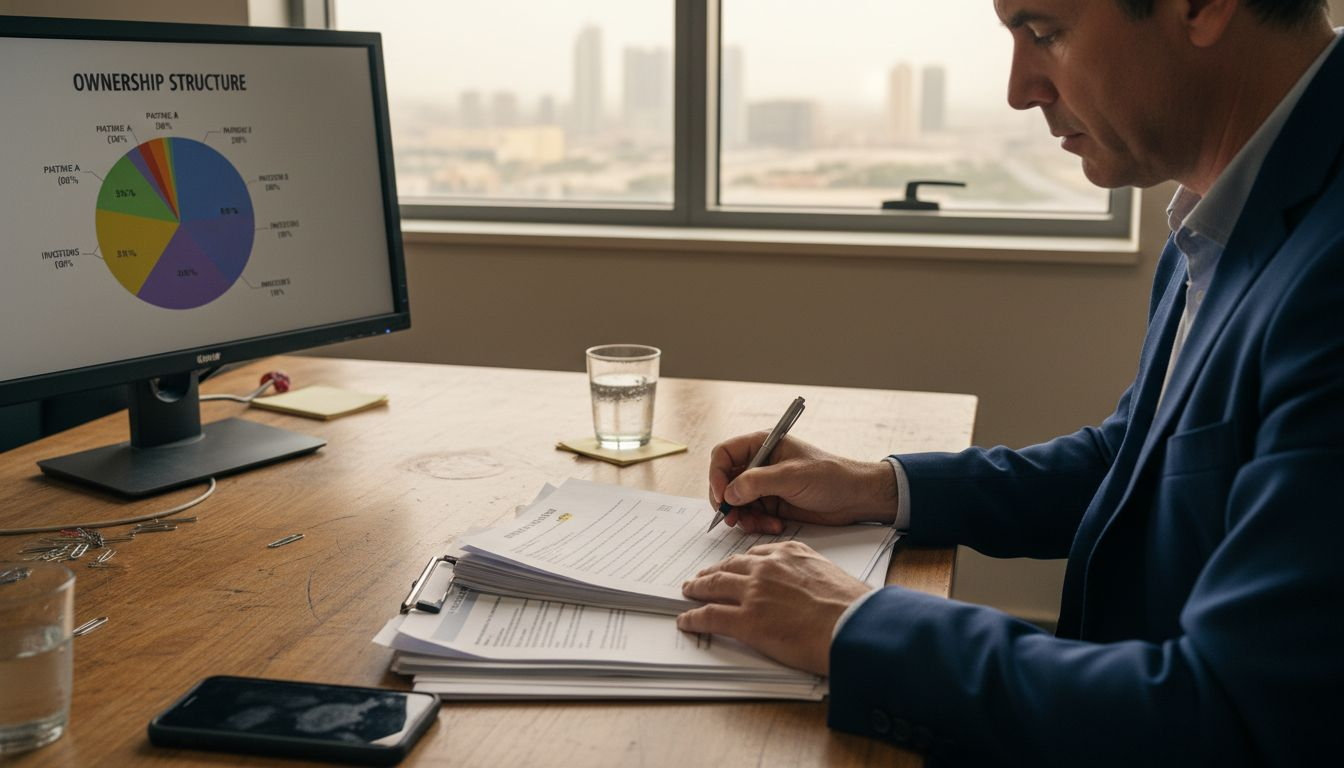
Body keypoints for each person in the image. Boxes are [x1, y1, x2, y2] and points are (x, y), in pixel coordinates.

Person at [676, 0, 1344, 764]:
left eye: (1045, 32)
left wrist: (854, 624)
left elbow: (1234, 717)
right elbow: (1136, 463)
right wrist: (876, 487)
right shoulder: (1225, 207)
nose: (1020, 88)